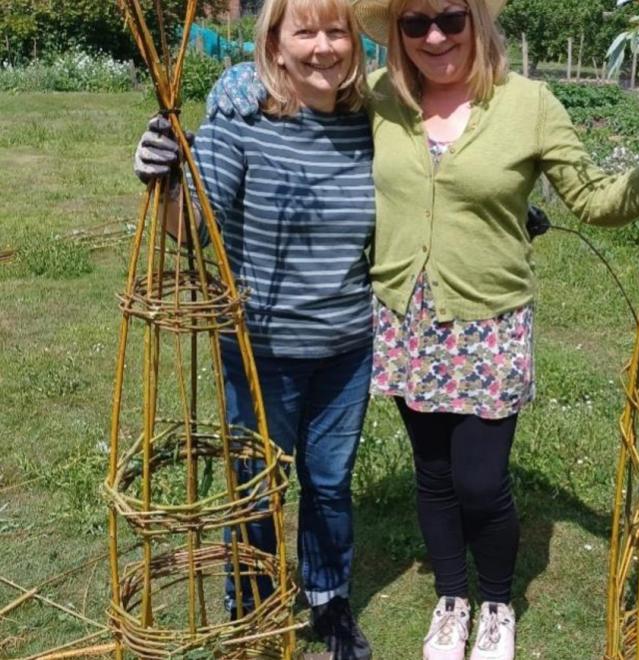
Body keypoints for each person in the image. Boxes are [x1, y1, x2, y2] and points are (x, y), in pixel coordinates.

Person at [208, 0, 639, 657]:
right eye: (415, 23)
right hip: (403, 322)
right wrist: (238, 78)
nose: (434, 35)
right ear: (398, 34)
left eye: (450, 17)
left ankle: (494, 604)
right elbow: (305, 81)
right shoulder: (384, 98)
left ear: (477, 19)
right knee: (431, 474)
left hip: (486, 323)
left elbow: (592, 197)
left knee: (479, 482)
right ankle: (445, 599)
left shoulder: (527, 103)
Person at [133, 0, 376, 657]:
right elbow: (192, 227)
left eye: (337, 31)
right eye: (306, 31)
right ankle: (251, 605)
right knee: (258, 488)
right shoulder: (240, 120)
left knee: (330, 484)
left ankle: (328, 600)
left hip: (348, 348)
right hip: (260, 348)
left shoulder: (368, 125)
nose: (323, 47)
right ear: (274, 43)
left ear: (355, 42)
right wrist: (164, 176)